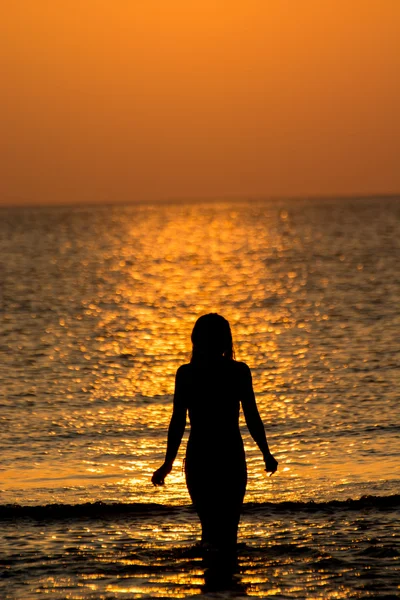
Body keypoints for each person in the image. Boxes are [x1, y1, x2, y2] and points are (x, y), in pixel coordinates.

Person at [152, 313, 278, 562]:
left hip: (202, 456)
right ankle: (225, 583)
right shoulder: (237, 372)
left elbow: (178, 422)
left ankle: (214, 585)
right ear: (225, 341)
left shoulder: (188, 374)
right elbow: (251, 417)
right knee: (227, 530)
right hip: (228, 455)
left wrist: (168, 464)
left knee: (210, 529)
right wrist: (266, 453)